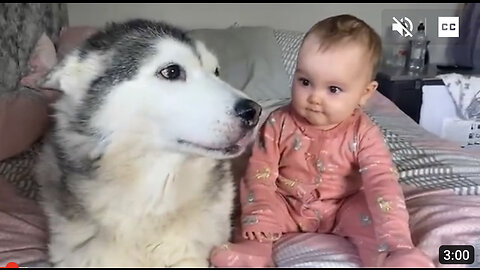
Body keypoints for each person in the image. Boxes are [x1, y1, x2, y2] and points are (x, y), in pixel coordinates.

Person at [209, 14, 434, 268]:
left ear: (365, 93)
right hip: (288, 203)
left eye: (333, 89)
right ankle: (253, 253)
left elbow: (381, 181)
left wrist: (397, 237)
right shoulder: (278, 123)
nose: (314, 97)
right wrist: (259, 212)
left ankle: (394, 256)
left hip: (342, 206)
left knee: (375, 212)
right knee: (256, 208)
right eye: (305, 82)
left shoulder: (364, 133)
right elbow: (260, 172)